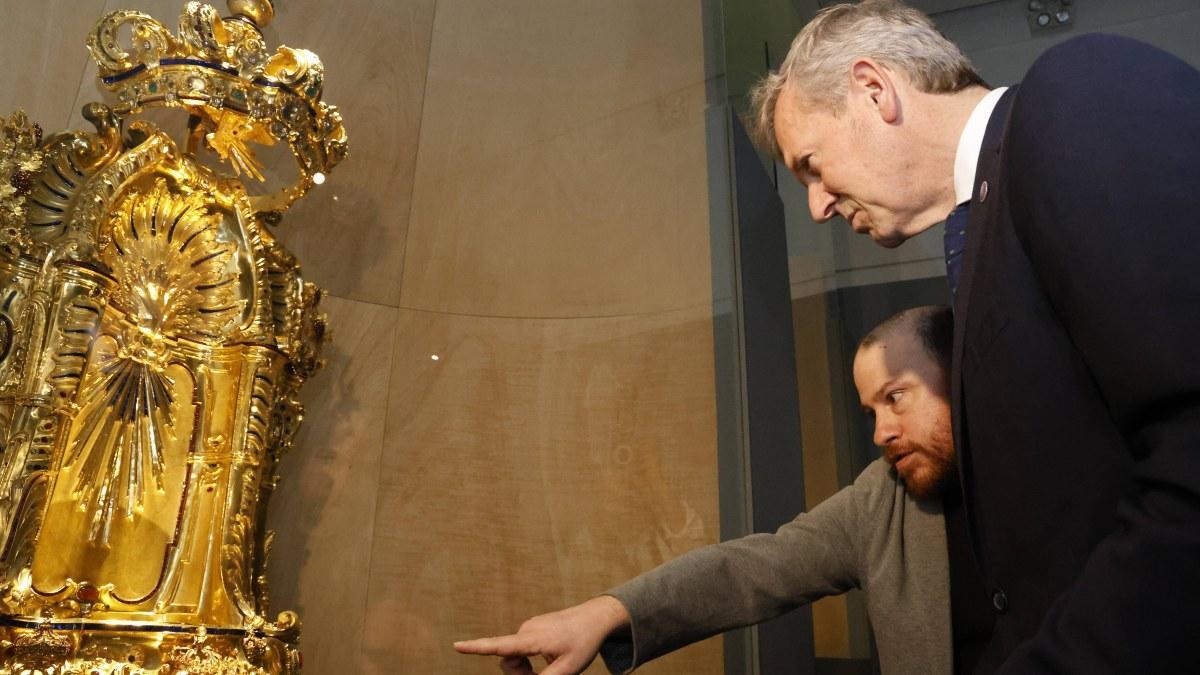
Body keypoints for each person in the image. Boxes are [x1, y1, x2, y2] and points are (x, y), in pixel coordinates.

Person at [745, 1, 1200, 672]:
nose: (816, 207)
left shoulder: (1076, 97)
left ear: (874, 90)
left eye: (810, 165)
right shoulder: (984, 228)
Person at [456, 305, 994, 674]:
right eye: (870, 411)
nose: (880, 432)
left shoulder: (1057, 470)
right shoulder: (880, 503)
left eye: (896, 398)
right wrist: (603, 613)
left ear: (958, 373)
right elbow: (747, 569)